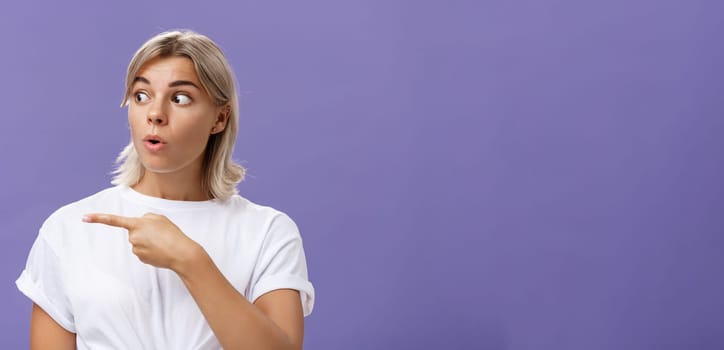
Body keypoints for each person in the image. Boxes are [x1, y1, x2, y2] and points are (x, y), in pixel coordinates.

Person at [15, 30, 315, 350]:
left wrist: (189, 260)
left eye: (180, 98)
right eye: (141, 95)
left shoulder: (267, 232)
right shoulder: (68, 229)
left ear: (220, 118)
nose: (155, 114)